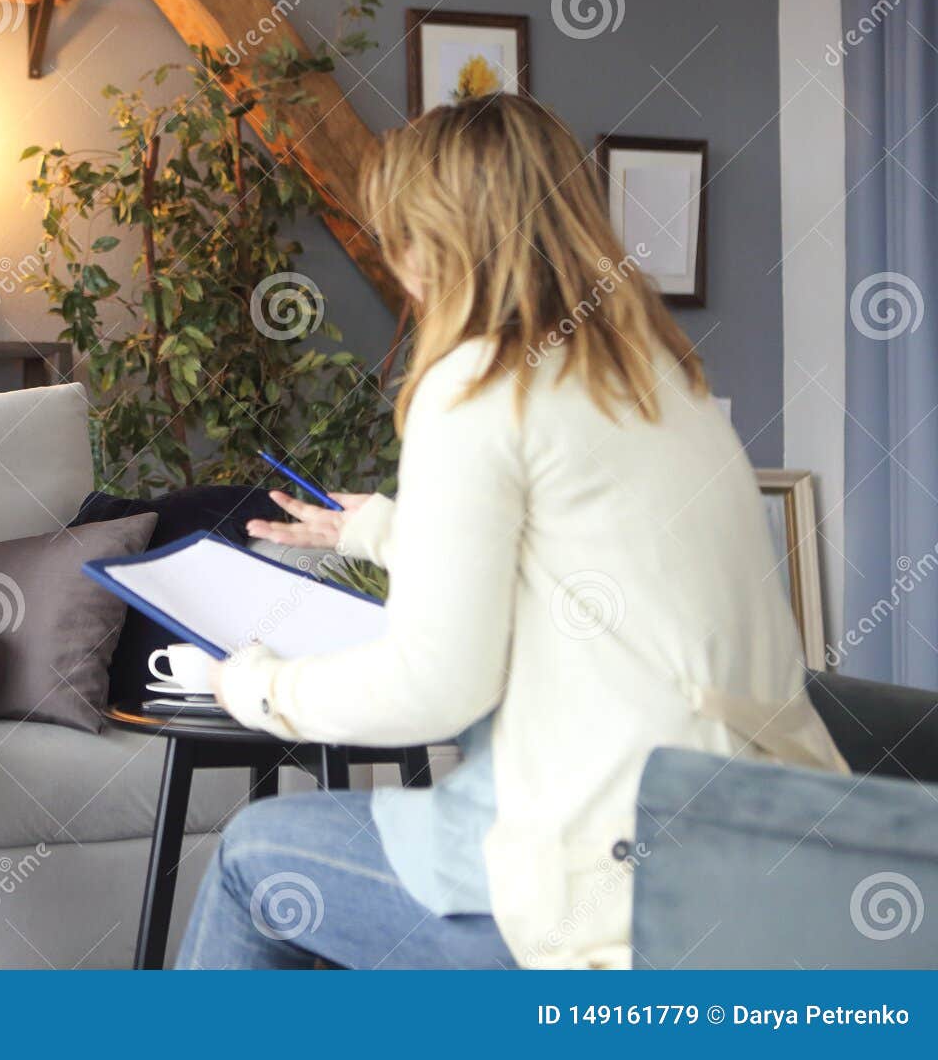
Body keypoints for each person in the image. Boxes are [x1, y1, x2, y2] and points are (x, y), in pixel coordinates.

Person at [177, 95, 849, 970]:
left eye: (399, 239)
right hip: (762, 855)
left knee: (253, 858)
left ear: (438, 243)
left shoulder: (476, 381)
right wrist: (378, 529)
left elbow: (434, 688)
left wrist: (252, 684)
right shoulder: (653, 375)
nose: (399, 269)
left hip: (620, 893)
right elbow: (572, 559)